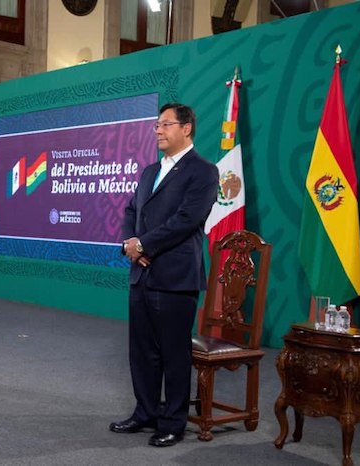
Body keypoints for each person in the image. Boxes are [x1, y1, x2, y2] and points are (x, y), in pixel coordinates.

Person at [110, 103, 219, 446]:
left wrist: (144, 245)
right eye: (157, 125)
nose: (157, 130)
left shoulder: (203, 171)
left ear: (186, 128)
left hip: (175, 276)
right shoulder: (148, 171)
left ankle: (172, 421)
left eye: (165, 124)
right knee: (141, 350)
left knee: (174, 353)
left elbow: (187, 220)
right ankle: (145, 412)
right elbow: (131, 210)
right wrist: (131, 243)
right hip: (141, 275)